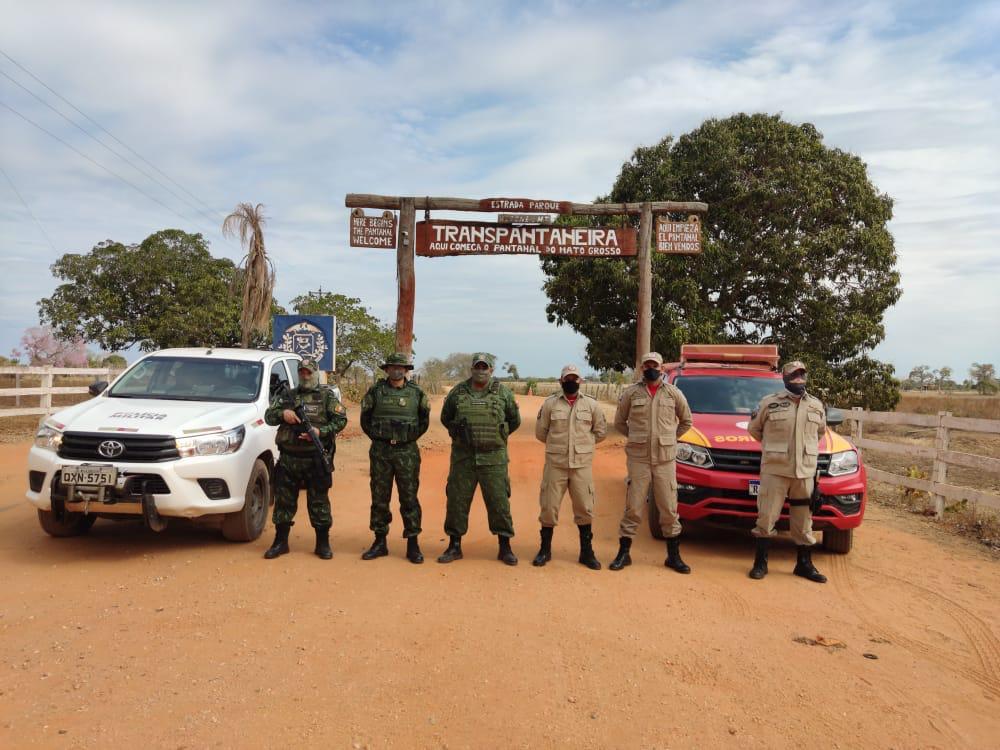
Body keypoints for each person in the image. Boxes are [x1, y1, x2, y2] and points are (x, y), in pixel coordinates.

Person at [609, 352, 694, 573]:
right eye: (646, 365)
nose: (650, 368)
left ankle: (673, 557)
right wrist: (636, 437)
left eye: (654, 365)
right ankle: (624, 554)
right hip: (639, 459)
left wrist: (670, 438)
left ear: (662, 368)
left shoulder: (674, 393)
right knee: (633, 507)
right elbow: (619, 422)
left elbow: (687, 421)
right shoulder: (631, 393)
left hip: (665, 460)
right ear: (641, 368)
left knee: (668, 507)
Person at [746, 361, 827, 583]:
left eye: (802, 374)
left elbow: (820, 433)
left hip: (804, 473)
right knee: (767, 516)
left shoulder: (816, 406)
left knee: (803, 521)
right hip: (776, 470)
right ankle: (760, 563)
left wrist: (802, 453)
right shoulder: (770, 403)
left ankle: (804, 565)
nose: (799, 378)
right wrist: (776, 448)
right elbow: (754, 430)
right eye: (794, 375)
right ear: (785, 378)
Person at [438, 353, 521, 565]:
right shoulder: (458, 392)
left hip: (493, 459)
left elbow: (514, 420)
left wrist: (497, 436)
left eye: (485, 367)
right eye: (478, 366)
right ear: (472, 369)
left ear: (491, 370)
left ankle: (505, 547)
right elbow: (446, 418)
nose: (481, 370)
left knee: (499, 503)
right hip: (463, 458)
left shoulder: (503, 393)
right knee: (457, 501)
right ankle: (454, 546)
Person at [262, 359, 348, 560]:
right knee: (284, 502)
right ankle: (280, 542)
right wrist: (284, 413)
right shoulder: (287, 396)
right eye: (302, 372)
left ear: (315, 374)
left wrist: (320, 431)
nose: (305, 376)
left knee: (319, 503)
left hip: (315, 460)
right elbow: (268, 416)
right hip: (289, 459)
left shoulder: (326, 397)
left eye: (309, 372)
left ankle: (322, 543)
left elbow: (341, 420)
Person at [532, 365, 607, 569]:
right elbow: (541, 433)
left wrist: (584, 446)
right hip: (556, 465)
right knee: (549, 507)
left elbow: (600, 432)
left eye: (574, 378)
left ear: (580, 381)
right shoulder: (550, 404)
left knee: (585, 507)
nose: (571, 382)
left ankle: (586, 552)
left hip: (581, 466)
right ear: (561, 381)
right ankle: (545, 550)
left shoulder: (591, 405)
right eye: (567, 379)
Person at [359, 352, 431, 564]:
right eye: (393, 366)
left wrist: (407, 438)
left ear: (407, 370)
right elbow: (365, 420)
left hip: (407, 452)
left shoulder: (417, 393)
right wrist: (380, 438)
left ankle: (413, 544)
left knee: (409, 498)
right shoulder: (376, 391)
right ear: (387, 369)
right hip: (381, 452)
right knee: (380, 497)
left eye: (401, 367)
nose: (397, 369)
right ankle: (379, 542)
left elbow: (424, 421)